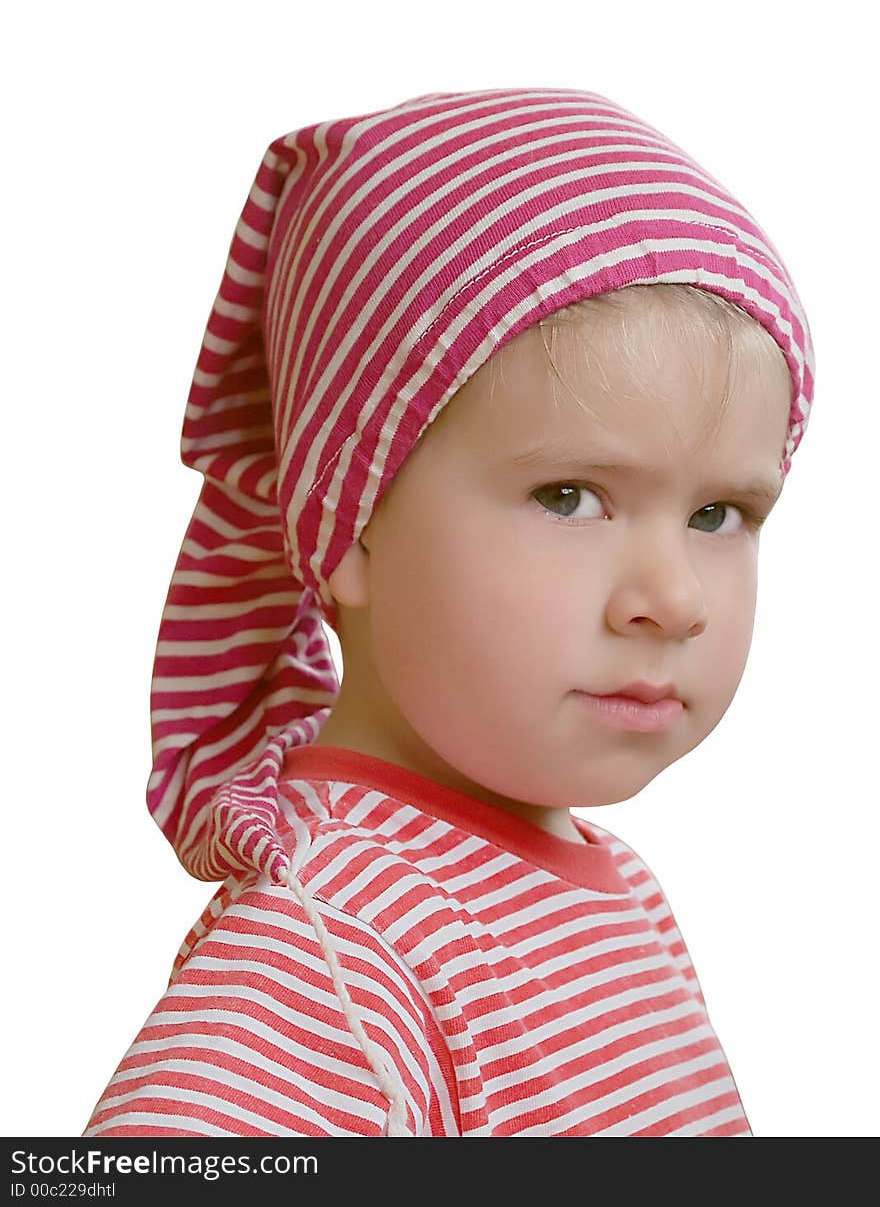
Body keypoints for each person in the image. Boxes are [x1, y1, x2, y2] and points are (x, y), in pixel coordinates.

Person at [83, 87, 815, 1137]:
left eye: (718, 512)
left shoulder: (621, 894)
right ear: (347, 525)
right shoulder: (333, 955)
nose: (673, 597)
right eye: (569, 495)